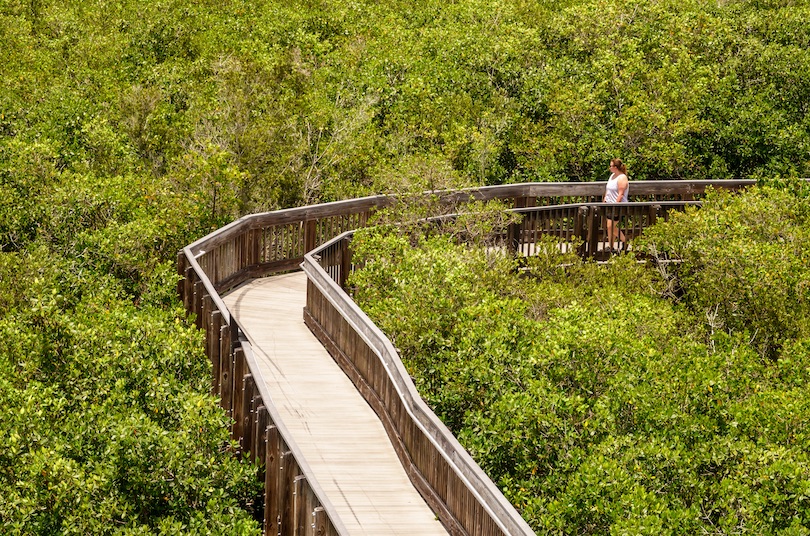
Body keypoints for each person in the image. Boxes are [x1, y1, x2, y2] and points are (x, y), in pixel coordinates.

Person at [603, 158, 629, 252]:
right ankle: (611, 246)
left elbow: (621, 194)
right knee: (609, 226)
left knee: (611, 226)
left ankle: (625, 241)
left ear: (616, 167)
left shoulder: (622, 177)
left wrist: (616, 205)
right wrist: (604, 200)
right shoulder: (612, 176)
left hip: (618, 205)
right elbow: (608, 190)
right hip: (609, 204)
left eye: (611, 166)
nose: (610, 168)